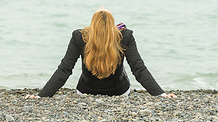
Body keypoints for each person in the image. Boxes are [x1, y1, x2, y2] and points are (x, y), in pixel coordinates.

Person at [26, 7, 176, 99]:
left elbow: (65, 69)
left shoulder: (79, 36)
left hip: (85, 91)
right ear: (112, 24)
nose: (103, 7)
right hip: (119, 92)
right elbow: (138, 69)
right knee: (122, 66)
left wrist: (41, 96)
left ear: (92, 24)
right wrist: (160, 95)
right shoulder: (124, 36)